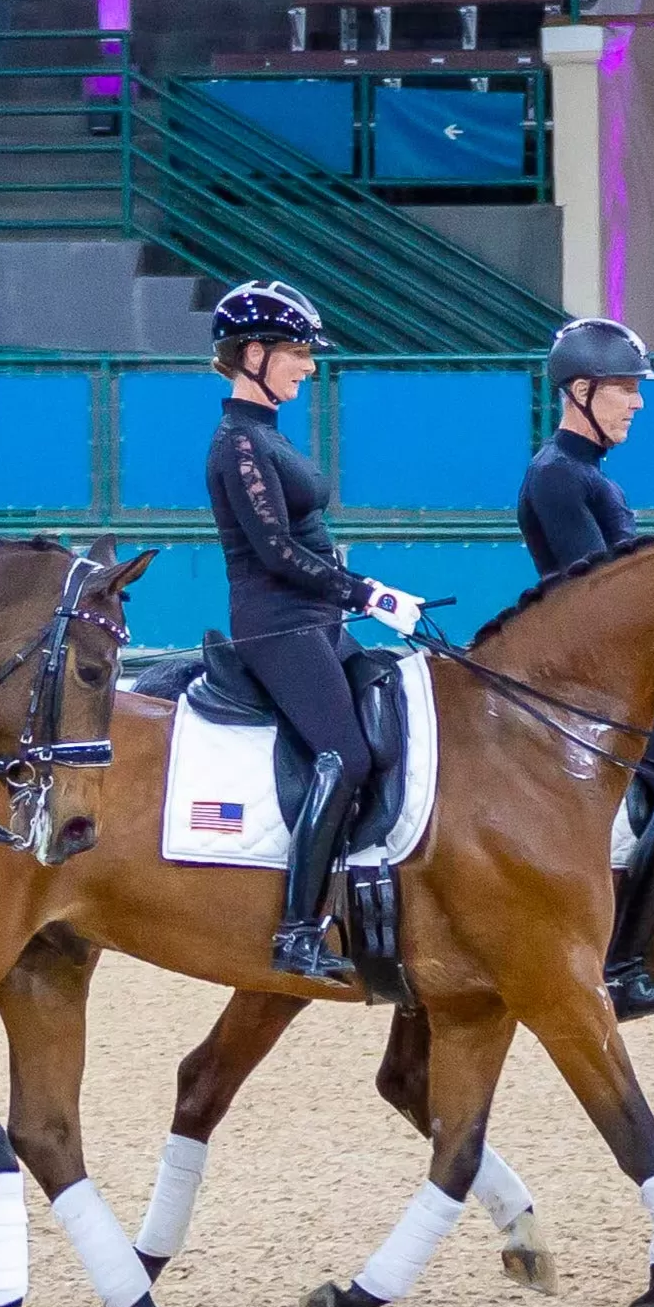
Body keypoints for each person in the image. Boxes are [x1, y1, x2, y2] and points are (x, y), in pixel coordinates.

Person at [204, 281, 422, 981]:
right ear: (254, 352)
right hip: (276, 625)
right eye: (297, 351)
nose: (308, 364)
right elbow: (274, 552)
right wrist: (368, 591)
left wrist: (355, 595)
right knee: (344, 755)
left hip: (317, 620)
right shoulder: (238, 443)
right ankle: (296, 930)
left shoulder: (268, 435)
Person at [518, 316, 654, 1018]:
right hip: (599, 680)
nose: (638, 402)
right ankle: (629, 964)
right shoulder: (557, 477)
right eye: (626, 388)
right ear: (582, 391)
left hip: (626, 668)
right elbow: (598, 595)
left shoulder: (588, 476)